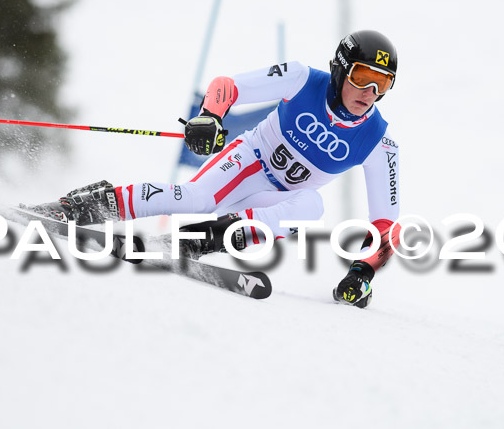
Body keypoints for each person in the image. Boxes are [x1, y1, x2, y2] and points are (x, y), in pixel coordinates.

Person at [33, 30, 401, 308]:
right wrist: (210, 116)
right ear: (340, 70)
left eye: (381, 83)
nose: (368, 91)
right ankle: (76, 208)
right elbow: (228, 86)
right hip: (250, 160)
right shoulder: (303, 78)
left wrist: (362, 271)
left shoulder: (378, 142)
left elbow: (387, 226)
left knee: (312, 207)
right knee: (196, 197)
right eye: (360, 76)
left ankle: (190, 244)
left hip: (277, 197)